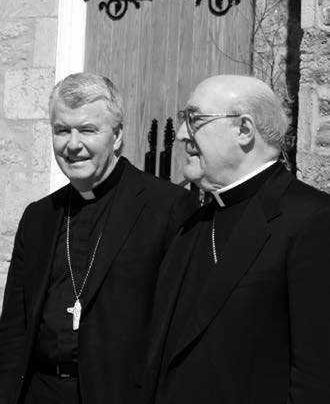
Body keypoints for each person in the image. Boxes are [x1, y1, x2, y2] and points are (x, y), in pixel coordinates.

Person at [0, 72, 197, 404]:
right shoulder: (39, 216)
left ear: (117, 135)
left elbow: (180, 327)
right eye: (62, 130)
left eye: (88, 130)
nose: (73, 144)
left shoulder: (167, 207)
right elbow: (14, 330)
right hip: (39, 392)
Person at [144, 74, 330, 404]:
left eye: (195, 119)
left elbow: (316, 375)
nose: (183, 133)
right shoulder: (192, 224)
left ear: (244, 130)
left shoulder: (312, 222)